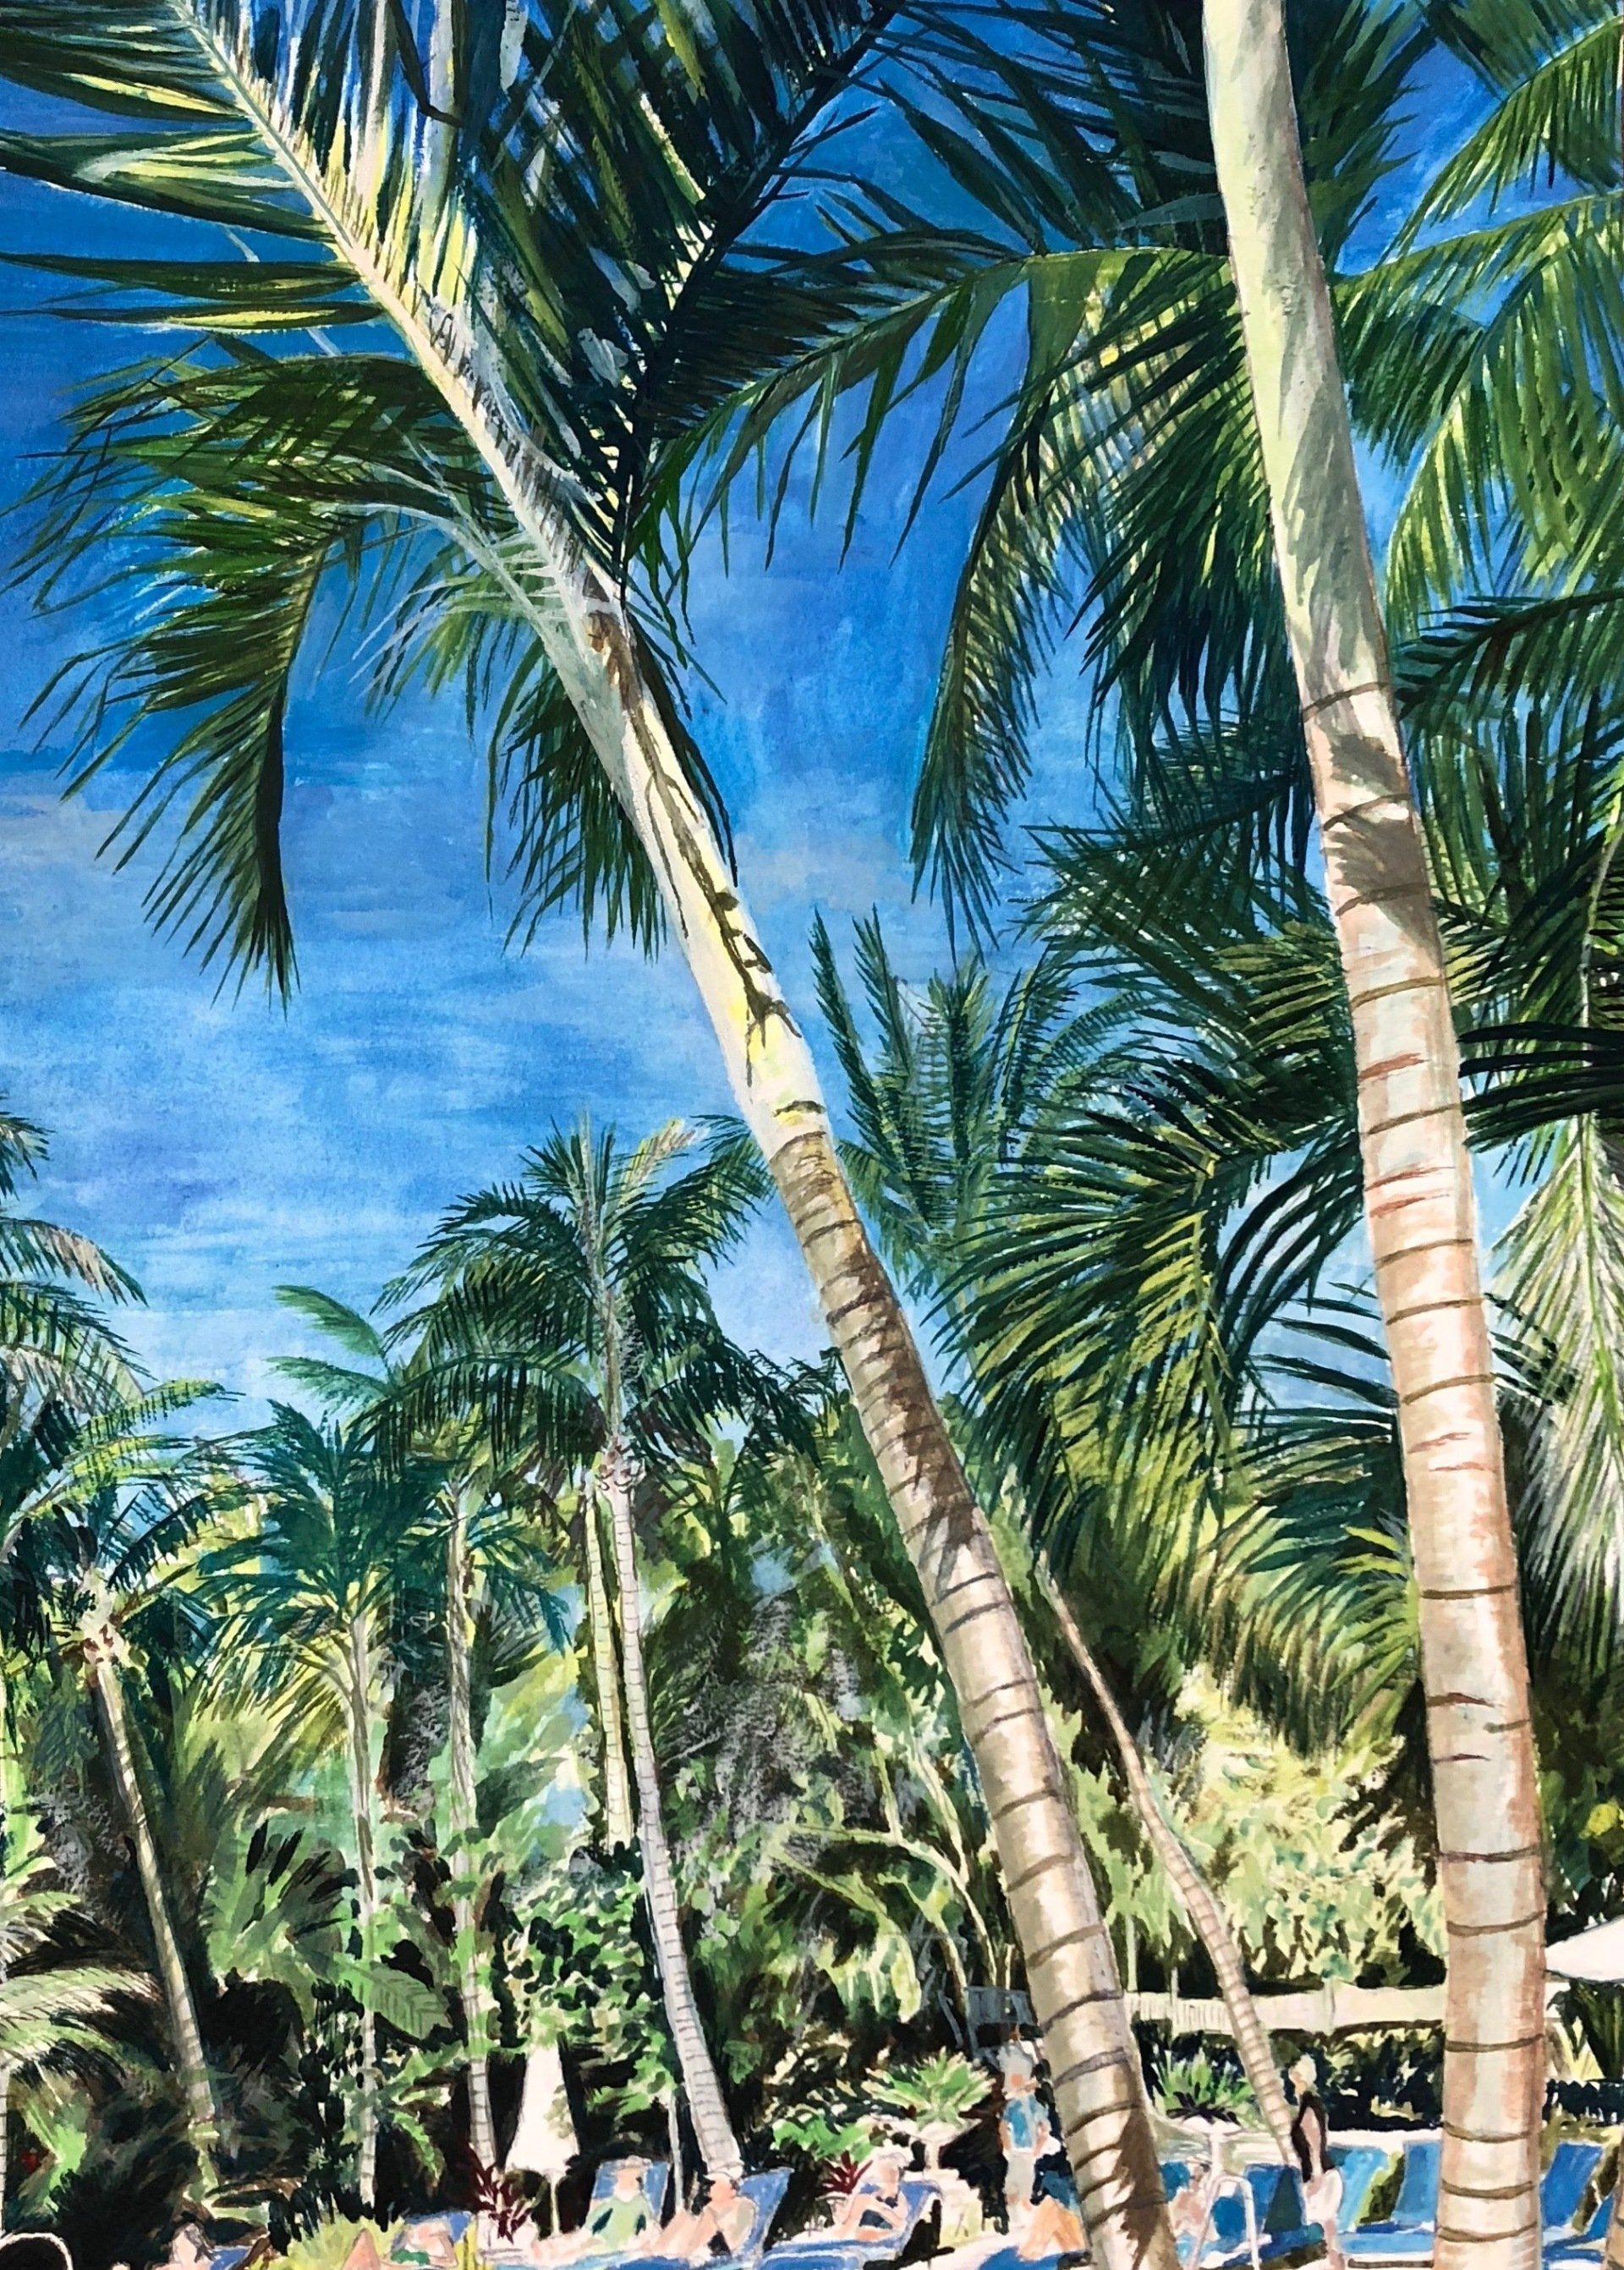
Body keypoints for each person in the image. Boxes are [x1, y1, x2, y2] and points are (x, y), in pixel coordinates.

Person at [528, 2162, 661, 2266]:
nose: (618, 2180)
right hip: (600, 2238)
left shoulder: (640, 2204)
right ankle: (551, 2251)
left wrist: (639, 2243)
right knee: (573, 2242)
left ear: (635, 2182)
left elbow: (646, 2228)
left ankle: (554, 2258)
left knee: (581, 2248)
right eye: (619, 2177)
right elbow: (592, 2224)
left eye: (623, 2177)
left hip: (614, 2244)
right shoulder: (611, 2203)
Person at [1287, 2057, 1343, 2270]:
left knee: (1326, 2230)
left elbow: (1314, 2144)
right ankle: (1337, 2267)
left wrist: (1316, 2177)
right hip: (1322, 2174)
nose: (1294, 2085)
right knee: (1328, 2232)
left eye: (1297, 2080)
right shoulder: (1308, 2104)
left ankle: (1336, 2266)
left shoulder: (1310, 2106)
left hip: (1322, 2176)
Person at [630, 2173, 755, 2266]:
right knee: (683, 2216)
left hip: (722, 2250)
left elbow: (735, 2232)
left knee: (707, 2218)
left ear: (731, 2190)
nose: (708, 2190)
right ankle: (657, 2249)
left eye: (713, 2185)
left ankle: (683, 2255)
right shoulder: (712, 2207)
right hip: (706, 2244)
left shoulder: (743, 2204)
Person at [998, 2046, 1054, 2229]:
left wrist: (1037, 2149)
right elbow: (1003, 2126)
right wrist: (1007, 2147)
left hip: (1028, 2151)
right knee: (1012, 2184)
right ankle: (1015, 2217)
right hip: (1015, 2151)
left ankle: (1025, 2217)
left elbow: (1044, 2129)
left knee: (1024, 2184)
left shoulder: (1034, 2105)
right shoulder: (1013, 2106)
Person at [825, 2149, 913, 2242]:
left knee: (862, 2202)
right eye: (883, 2171)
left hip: (878, 2238)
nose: (883, 2175)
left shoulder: (900, 2199)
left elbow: (901, 2225)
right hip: (856, 2234)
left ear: (897, 2174)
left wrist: (878, 2208)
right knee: (861, 2202)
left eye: (888, 2171)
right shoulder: (871, 2194)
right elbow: (847, 2218)